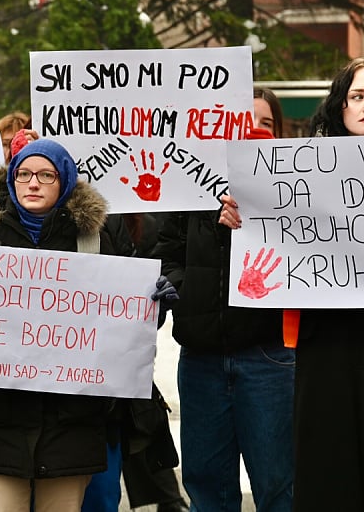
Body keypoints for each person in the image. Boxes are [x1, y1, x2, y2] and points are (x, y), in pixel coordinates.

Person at [0, 138, 176, 512]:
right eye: (24, 174)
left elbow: (123, 328)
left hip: (70, 428)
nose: (32, 183)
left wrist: (152, 305)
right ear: (11, 179)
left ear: (64, 180)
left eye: (45, 175)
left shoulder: (97, 240)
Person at [221, 60, 364, 511]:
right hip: (328, 344)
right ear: (341, 106)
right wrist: (244, 224)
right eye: (359, 97)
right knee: (330, 469)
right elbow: (271, 261)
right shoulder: (296, 171)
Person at [153, 88, 293, 512]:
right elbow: (166, 258)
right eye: (244, 121)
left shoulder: (296, 196)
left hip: (268, 360)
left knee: (278, 485)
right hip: (201, 362)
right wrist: (186, 289)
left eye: (265, 123)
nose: (253, 130)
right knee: (207, 488)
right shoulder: (188, 193)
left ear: (280, 134)